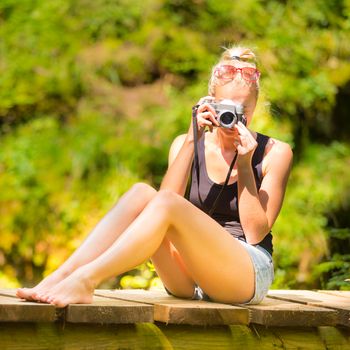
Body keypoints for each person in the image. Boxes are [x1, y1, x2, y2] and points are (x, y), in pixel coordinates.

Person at [16, 46, 293, 307]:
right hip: (189, 277)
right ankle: (60, 277)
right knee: (142, 193)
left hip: (244, 275)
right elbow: (161, 203)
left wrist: (245, 164)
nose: (233, 118)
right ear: (210, 104)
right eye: (226, 109)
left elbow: (256, 233)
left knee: (167, 203)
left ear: (255, 106)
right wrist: (191, 140)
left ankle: (86, 281)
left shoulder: (274, 152)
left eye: (242, 111)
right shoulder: (185, 144)